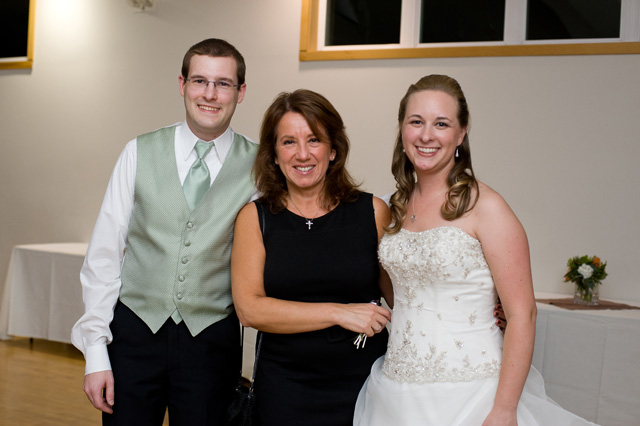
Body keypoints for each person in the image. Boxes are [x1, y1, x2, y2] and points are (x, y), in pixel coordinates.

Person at [353, 75, 598, 426]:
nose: (426, 135)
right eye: (416, 122)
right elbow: (398, 294)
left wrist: (504, 409)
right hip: (395, 390)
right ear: (402, 129)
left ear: (461, 133)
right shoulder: (393, 206)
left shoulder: (487, 207)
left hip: (472, 392)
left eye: (441, 124)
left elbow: (523, 315)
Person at [70, 38, 257, 425]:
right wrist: (95, 352)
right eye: (199, 81)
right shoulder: (137, 151)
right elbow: (104, 255)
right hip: (133, 337)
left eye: (223, 83)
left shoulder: (261, 167)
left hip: (212, 342)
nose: (210, 94)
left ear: (240, 92)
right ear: (182, 84)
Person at [230, 89, 393, 426]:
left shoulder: (373, 212)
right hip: (284, 390)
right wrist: (339, 313)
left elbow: (405, 299)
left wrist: (483, 309)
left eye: (314, 140)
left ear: (333, 150)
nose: (302, 154)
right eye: (289, 142)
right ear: (274, 154)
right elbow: (249, 310)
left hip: (364, 386)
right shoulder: (255, 218)